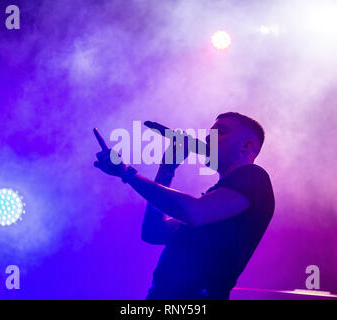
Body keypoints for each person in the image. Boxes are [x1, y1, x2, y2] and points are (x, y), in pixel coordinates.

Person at [94, 112, 275, 300]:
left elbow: (194, 212)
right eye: (209, 134)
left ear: (246, 145)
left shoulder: (254, 176)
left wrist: (127, 174)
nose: (207, 138)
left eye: (220, 132)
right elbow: (154, 232)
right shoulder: (216, 198)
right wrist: (166, 169)